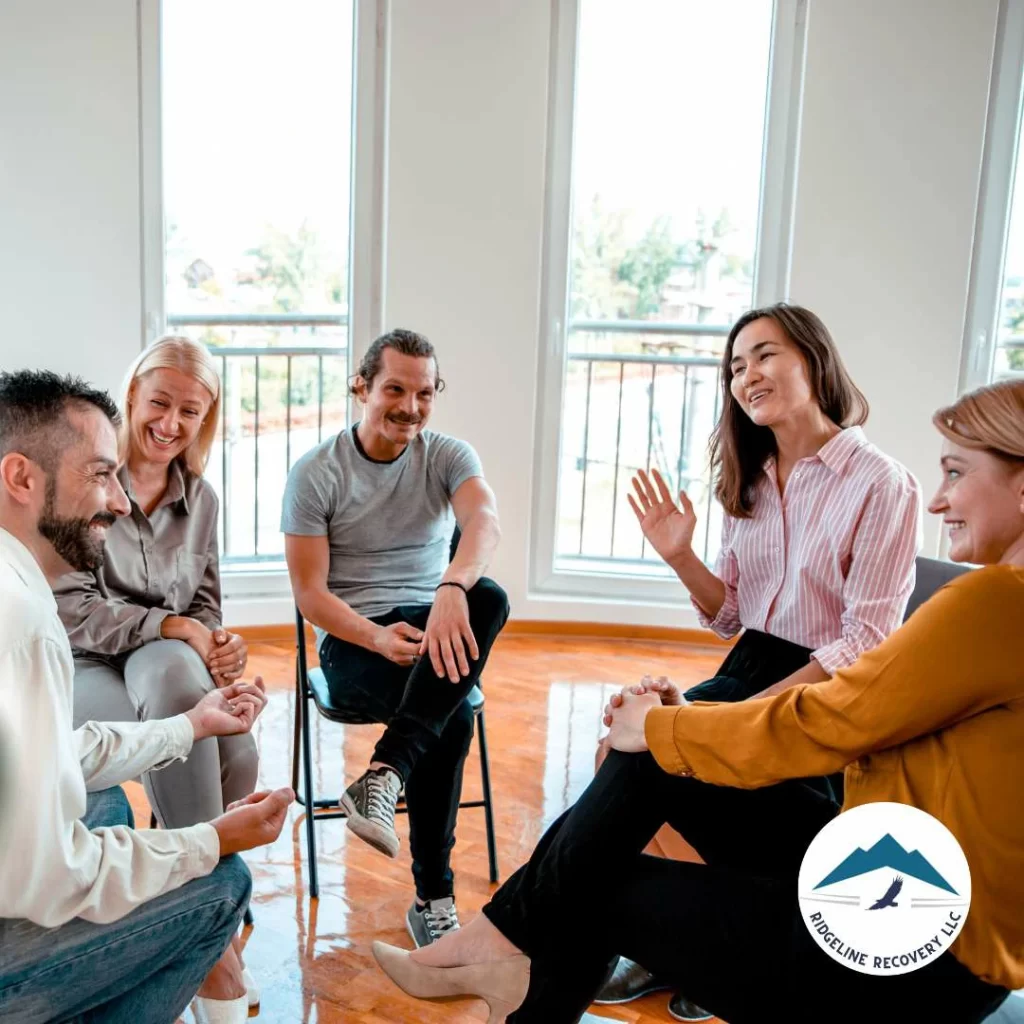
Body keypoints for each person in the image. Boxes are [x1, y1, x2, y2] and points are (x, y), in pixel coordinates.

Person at [371, 377, 1023, 1024]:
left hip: (916, 949)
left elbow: (835, 717)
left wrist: (669, 729)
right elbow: (870, 720)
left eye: (957, 472)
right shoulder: (999, 607)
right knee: (646, 767)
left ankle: (506, 944)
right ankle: (504, 943)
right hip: (909, 883)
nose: (939, 502)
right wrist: (681, 727)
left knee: (596, 882)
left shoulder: (995, 604)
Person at [600, 302, 922, 1016]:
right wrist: (680, 554)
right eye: (736, 365)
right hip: (751, 665)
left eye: (765, 355)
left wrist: (735, 718)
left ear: (813, 358)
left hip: (826, 691)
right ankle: (672, 949)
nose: (748, 375)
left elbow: (865, 642)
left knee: (661, 753)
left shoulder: (881, 482)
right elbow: (730, 616)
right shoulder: (752, 476)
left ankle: (711, 950)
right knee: (623, 743)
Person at [0, 370, 293, 1024]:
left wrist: (188, 726)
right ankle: (211, 963)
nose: (120, 502)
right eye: (100, 475)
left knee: (104, 801)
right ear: (21, 478)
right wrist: (208, 843)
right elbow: (47, 879)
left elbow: (52, 756)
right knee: (223, 884)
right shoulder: (23, 626)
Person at [51, 336, 263, 1015]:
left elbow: (204, 602)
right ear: (133, 397)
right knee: (178, 675)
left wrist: (221, 645)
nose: (171, 424)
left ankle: (203, 922)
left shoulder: (200, 499)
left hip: (164, 660)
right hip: (88, 663)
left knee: (241, 745)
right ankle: (217, 942)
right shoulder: (87, 480)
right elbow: (73, 609)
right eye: (160, 403)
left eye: (190, 412)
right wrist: (174, 629)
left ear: (207, 419)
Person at [283, 328, 508, 947]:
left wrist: (452, 589)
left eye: (425, 392)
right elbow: (311, 597)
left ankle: (384, 773)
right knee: (454, 715)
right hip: (355, 640)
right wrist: (379, 640)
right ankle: (434, 898)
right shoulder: (316, 474)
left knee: (489, 595)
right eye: (395, 389)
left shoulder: (448, 455)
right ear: (361, 387)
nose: (411, 406)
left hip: (435, 622)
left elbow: (483, 522)